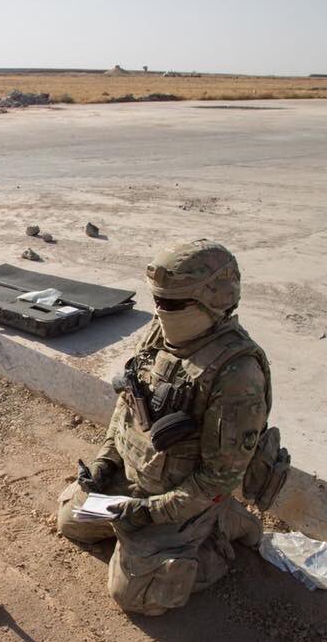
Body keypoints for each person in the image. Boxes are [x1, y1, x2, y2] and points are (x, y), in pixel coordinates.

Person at [58, 240, 286, 616]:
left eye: (175, 303)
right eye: (159, 301)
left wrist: (150, 512)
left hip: (184, 499)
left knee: (137, 595)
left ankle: (221, 530)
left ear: (215, 301)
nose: (162, 311)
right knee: (71, 519)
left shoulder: (237, 375)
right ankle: (143, 538)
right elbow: (127, 407)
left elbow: (216, 480)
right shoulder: (158, 335)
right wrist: (105, 462)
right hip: (135, 483)